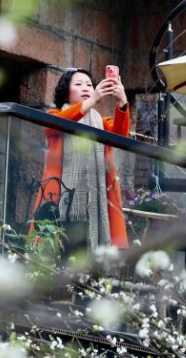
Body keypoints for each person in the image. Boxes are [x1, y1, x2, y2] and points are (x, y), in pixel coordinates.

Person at [30, 68, 130, 252]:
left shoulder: (101, 122)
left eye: (89, 85)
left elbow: (120, 134)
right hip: (61, 202)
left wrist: (122, 100)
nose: (86, 87)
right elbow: (59, 123)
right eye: (78, 84)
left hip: (96, 205)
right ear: (66, 91)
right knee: (60, 256)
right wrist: (93, 100)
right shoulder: (54, 115)